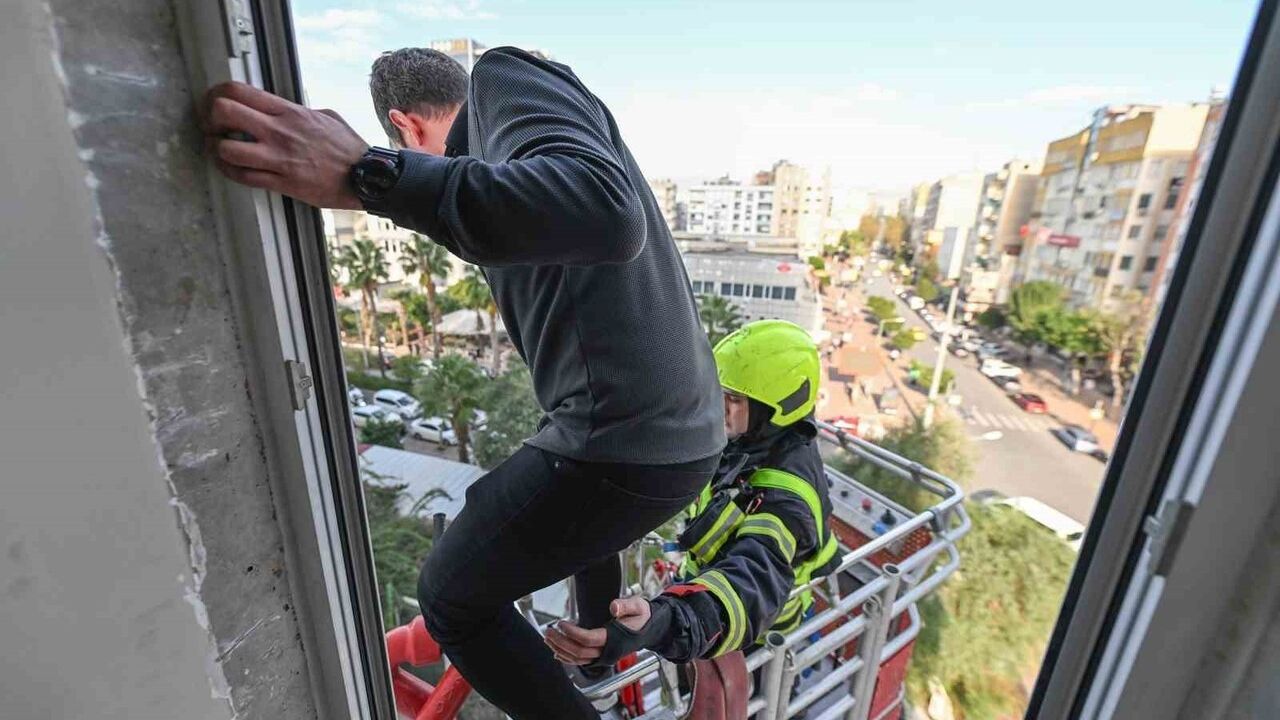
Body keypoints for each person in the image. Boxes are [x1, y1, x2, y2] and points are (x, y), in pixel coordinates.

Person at [201, 47, 725, 719]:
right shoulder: (505, 181)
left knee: (452, 596)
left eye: (404, 151)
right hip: (672, 444)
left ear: (406, 126)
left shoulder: (501, 77)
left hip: (630, 443)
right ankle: (597, 651)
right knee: (558, 507)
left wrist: (372, 175)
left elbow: (605, 211)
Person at [546, 320, 841, 669]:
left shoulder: (785, 502)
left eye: (733, 399)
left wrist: (669, 620)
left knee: (750, 695)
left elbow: (751, 582)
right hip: (704, 594)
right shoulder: (751, 441)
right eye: (718, 391)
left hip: (756, 638)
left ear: (775, 410)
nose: (718, 405)